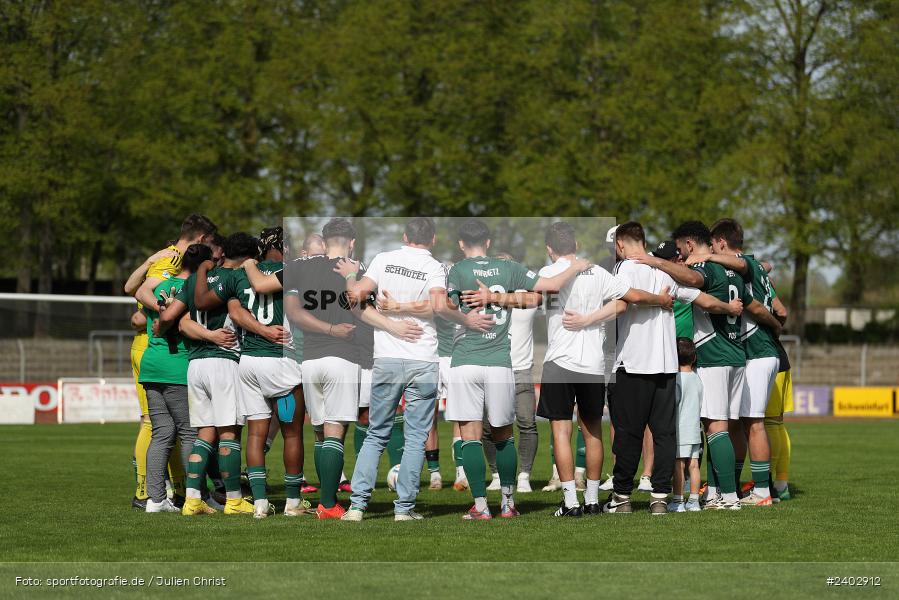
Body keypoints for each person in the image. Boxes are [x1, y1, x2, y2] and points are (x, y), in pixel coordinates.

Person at [445, 219, 593, 520]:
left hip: (465, 360)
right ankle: (509, 504)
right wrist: (575, 268)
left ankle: (481, 506)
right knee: (504, 435)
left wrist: (466, 320)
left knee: (471, 435)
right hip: (500, 362)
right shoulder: (508, 269)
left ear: (462, 244)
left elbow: (447, 307)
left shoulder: (457, 271)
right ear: (488, 242)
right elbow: (548, 289)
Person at [630, 220, 774, 510]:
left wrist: (653, 261)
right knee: (728, 426)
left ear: (691, 245)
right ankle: (720, 490)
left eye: (682, 250)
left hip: (714, 354)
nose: (681, 258)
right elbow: (753, 299)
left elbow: (693, 281)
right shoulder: (733, 272)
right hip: (736, 355)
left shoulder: (707, 269)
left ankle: (728, 497)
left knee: (715, 428)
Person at [536, 221, 675, 517]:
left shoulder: (549, 271)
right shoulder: (599, 272)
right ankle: (591, 500)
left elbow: (543, 288)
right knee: (593, 432)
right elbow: (628, 301)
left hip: (560, 362)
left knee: (562, 432)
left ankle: (572, 502)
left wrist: (583, 312)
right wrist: (660, 299)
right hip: (593, 366)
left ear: (550, 250)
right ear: (575, 245)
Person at [605, 221, 742, 515]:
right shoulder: (663, 269)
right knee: (665, 433)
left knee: (629, 433)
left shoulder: (622, 269)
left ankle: (621, 497)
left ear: (620, 245)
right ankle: (659, 498)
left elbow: (627, 300)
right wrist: (729, 308)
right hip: (667, 366)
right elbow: (701, 299)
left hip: (633, 364)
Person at [337, 217, 446, 522]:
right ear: (433, 239)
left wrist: (350, 275)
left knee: (375, 434)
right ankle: (404, 509)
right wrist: (405, 311)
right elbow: (437, 307)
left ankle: (357, 506)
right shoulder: (435, 266)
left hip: (385, 359)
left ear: (404, 235)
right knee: (414, 439)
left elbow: (354, 298)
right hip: (423, 358)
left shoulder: (383, 259)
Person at [155, 233, 266, 516]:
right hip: (224, 361)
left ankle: (192, 500)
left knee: (204, 434)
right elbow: (239, 313)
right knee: (229, 433)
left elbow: (178, 322)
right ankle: (233, 499)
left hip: (196, 365)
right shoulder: (235, 279)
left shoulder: (194, 280)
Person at [194, 232, 297, 519]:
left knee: (254, 434)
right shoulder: (292, 271)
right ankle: (292, 502)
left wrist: (258, 330)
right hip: (280, 360)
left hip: (248, 362)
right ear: (281, 247)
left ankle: (260, 503)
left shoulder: (237, 276)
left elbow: (235, 312)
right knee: (291, 433)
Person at [705, 218, 784, 505]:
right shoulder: (757, 267)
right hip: (758, 353)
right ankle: (734, 485)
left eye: (713, 244)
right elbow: (778, 305)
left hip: (758, 353)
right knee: (738, 423)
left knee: (755, 424)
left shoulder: (743, 263)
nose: (711, 249)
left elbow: (742, 265)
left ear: (722, 243)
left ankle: (763, 490)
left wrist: (707, 256)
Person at [139, 244, 211, 513]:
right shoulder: (193, 289)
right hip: (177, 367)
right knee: (189, 433)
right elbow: (185, 325)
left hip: (151, 365)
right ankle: (195, 496)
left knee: (162, 434)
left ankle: (155, 500)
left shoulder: (160, 286)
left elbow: (137, 291)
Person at [122, 247, 179, 509]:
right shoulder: (168, 270)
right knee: (153, 423)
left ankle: (174, 486)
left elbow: (130, 288)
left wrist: (148, 261)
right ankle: (144, 491)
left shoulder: (151, 273)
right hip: (152, 347)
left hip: (146, 347)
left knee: (170, 424)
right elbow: (138, 318)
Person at [481, 251, 539, 494]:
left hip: (521, 368)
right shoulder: (485, 296)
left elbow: (535, 297)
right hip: (492, 366)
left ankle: (524, 475)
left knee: (527, 423)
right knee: (487, 427)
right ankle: (495, 473)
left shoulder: (525, 295)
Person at [669, 337, 703, 513]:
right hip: (695, 430)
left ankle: (678, 501)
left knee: (679, 465)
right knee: (694, 465)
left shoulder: (676, 380)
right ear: (694, 357)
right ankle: (694, 501)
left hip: (681, 430)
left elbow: (674, 404)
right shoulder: (697, 379)